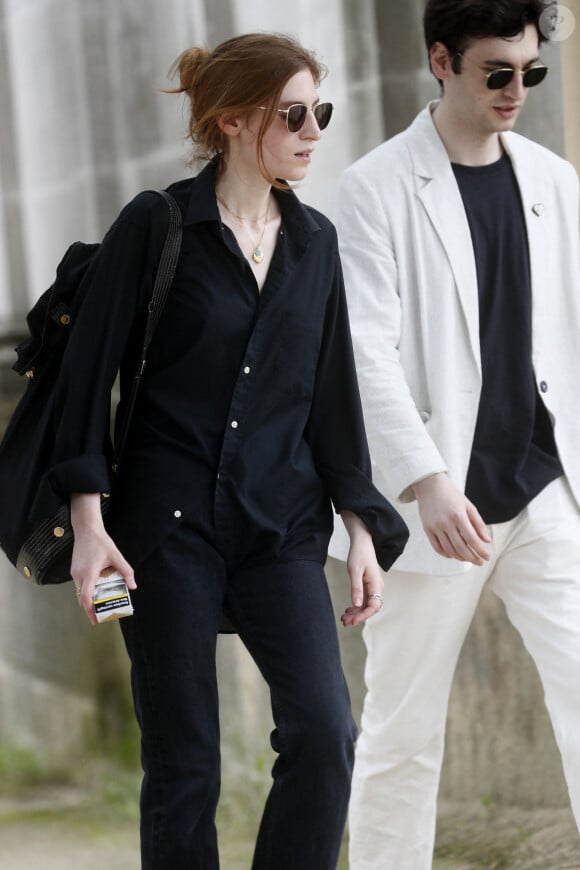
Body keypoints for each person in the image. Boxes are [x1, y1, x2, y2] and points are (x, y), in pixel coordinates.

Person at [47, 32, 408, 870]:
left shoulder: (316, 243)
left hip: (279, 528)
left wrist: (361, 526)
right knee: (184, 764)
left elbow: (332, 401)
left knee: (326, 734)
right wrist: (88, 526)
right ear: (236, 120)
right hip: (154, 537)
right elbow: (86, 379)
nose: (315, 129)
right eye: (296, 114)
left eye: (323, 110)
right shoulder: (157, 223)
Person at [330, 1, 580, 867]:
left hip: (546, 487)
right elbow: (365, 350)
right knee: (403, 731)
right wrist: (426, 480)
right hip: (434, 505)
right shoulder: (373, 187)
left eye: (531, 71)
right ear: (442, 59)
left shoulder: (554, 180)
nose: (517, 90)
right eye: (497, 72)